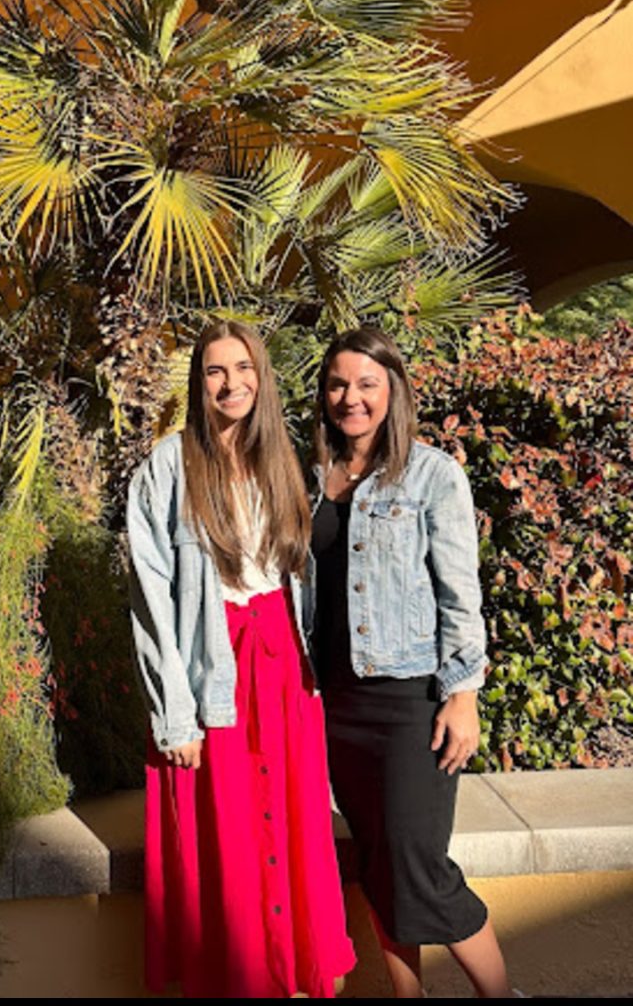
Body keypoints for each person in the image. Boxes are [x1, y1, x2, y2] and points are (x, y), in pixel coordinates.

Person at [127, 319, 356, 999]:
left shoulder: (283, 461)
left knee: (291, 828)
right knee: (225, 835)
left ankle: (290, 976)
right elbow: (149, 599)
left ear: (262, 375)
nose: (231, 384)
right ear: (197, 385)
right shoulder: (166, 468)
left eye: (243, 368)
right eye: (214, 372)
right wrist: (174, 716)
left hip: (283, 667)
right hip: (210, 671)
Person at [309, 326, 513, 999]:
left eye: (365, 383)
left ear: (391, 389)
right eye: (338, 383)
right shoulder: (311, 479)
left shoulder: (430, 474)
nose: (351, 397)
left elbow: (460, 591)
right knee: (373, 863)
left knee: (415, 862)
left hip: (410, 698)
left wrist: (463, 694)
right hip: (336, 701)